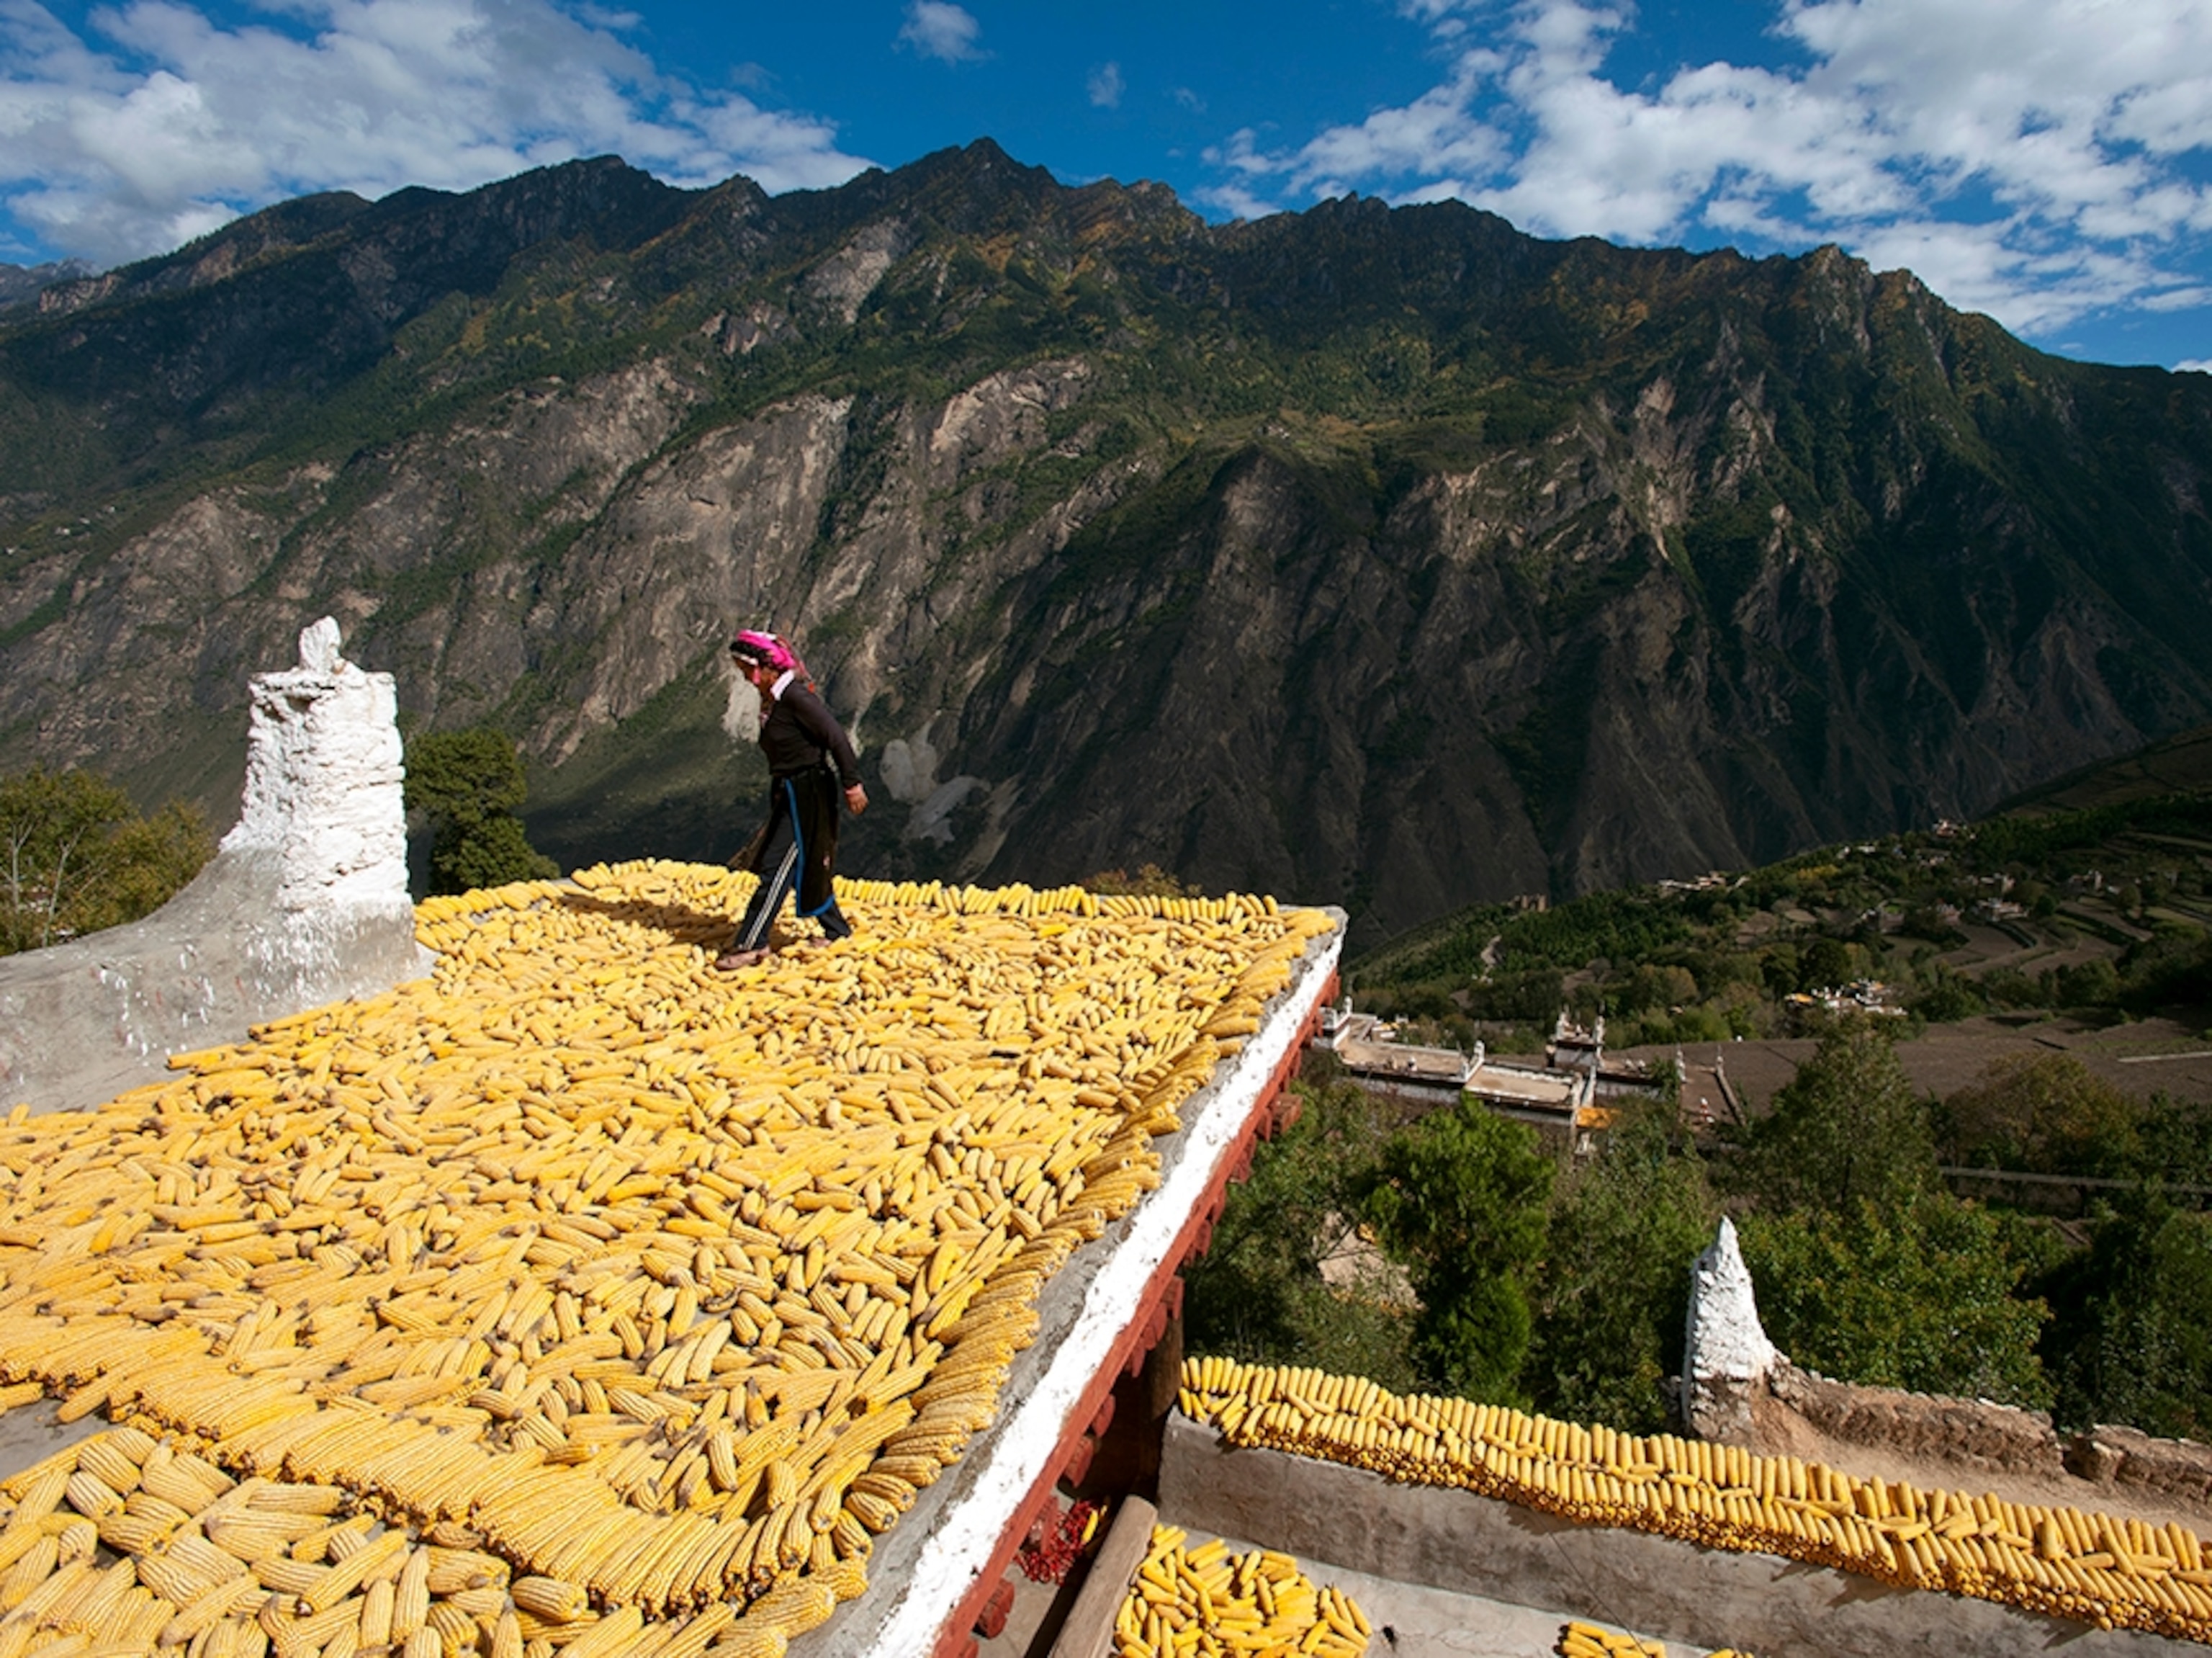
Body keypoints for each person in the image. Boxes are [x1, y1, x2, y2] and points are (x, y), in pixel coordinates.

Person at [716, 630, 868, 969]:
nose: (746, 678)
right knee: (804, 861)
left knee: (776, 866)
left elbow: (836, 738)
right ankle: (836, 930)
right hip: (789, 789)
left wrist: (852, 784)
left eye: (747, 671)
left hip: (808, 792)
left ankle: (751, 942)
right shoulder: (774, 697)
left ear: (767, 669)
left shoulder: (797, 698)